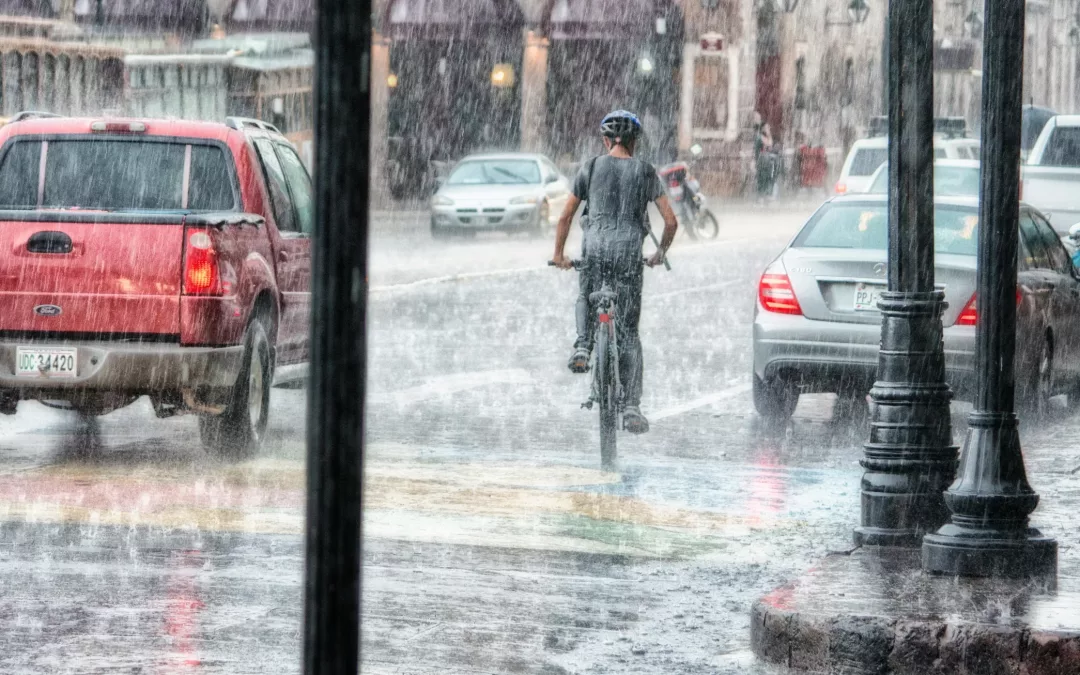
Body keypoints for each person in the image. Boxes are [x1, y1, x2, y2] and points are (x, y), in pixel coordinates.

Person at [551, 110, 679, 434]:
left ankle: (582, 345)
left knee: (585, 292)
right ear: (634, 142)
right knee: (629, 333)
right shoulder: (645, 171)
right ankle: (632, 406)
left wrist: (558, 255)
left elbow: (565, 217)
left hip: (595, 250)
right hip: (627, 255)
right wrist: (659, 252)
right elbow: (671, 221)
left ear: (606, 140)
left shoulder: (590, 167)